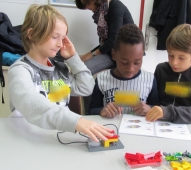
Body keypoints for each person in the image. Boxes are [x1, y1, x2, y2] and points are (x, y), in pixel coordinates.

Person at [8, 4, 113, 142]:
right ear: (32, 35)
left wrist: (73, 58)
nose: (59, 44)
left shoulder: (60, 68)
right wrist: (76, 121)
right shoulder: (20, 70)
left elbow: (87, 87)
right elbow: (31, 102)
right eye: (54, 37)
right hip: (28, 139)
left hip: (56, 138)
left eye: (63, 38)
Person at [146, 24, 191, 124]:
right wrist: (149, 107)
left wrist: (167, 112)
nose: (174, 62)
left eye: (181, 58)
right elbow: (154, 102)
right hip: (159, 125)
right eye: (170, 55)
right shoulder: (161, 69)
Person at [87, 24, 159, 117]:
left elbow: (157, 108)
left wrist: (150, 109)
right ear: (114, 55)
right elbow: (91, 111)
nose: (130, 69)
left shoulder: (149, 79)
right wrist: (101, 111)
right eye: (124, 63)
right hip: (110, 130)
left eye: (137, 63)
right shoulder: (101, 79)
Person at [75, 0, 134, 75]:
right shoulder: (103, 13)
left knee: (81, 70)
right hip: (112, 52)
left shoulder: (115, 6)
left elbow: (113, 40)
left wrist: (90, 55)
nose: (86, 7)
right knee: (79, 66)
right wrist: (86, 55)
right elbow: (105, 43)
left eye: (86, 2)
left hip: (123, 54)